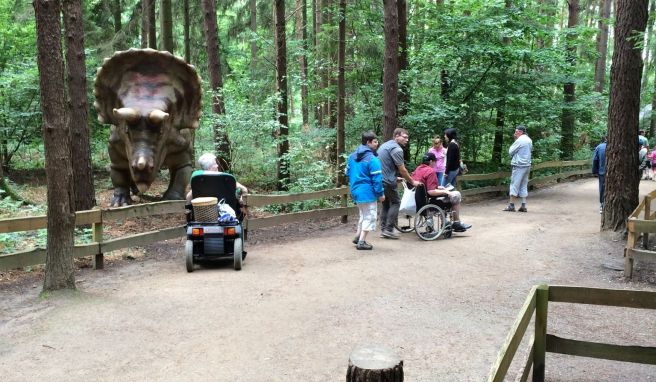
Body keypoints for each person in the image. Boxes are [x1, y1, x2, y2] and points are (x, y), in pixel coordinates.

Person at [377, 128, 421, 239]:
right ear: (396, 136)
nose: (407, 140)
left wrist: (394, 176)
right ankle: (389, 229)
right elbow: (403, 170)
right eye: (404, 137)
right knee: (396, 202)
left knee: (386, 204)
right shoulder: (397, 149)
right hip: (387, 181)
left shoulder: (384, 146)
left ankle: (383, 230)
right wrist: (412, 181)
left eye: (407, 138)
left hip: (379, 179)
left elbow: (384, 164)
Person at [412, 152, 471, 232]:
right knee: (456, 195)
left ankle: (446, 222)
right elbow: (431, 192)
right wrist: (446, 192)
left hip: (419, 200)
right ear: (431, 161)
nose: (435, 164)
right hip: (430, 202)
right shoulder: (430, 171)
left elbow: (424, 186)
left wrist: (440, 188)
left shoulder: (418, 169)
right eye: (435, 162)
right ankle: (456, 222)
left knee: (448, 192)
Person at [345, 131, 385, 250]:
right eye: (375, 141)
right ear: (368, 142)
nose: (377, 144)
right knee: (370, 216)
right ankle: (362, 242)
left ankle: (358, 236)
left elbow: (347, 172)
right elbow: (377, 179)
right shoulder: (372, 159)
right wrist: (381, 194)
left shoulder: (352, 156)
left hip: (355, 190)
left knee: (363, 214)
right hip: (367, 192)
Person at [503, 125, 533, 212]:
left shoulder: (519, 140)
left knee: (514, 184)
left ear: (520, 132)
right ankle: (523, 205)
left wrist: (515, 139)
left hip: (519, 165)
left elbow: (510, 151)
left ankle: (511, 205)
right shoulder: (529, 140)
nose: (515, 133)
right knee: (524, 184)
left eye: (516, 132)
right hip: (527, 165)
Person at [592, 136, 607, 214]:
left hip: (602, 172)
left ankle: (602, 205)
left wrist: (594, 171)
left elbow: (595, 160)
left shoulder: (599, 147)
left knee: (602, 188)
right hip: (615, 173)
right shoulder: (617, 146)